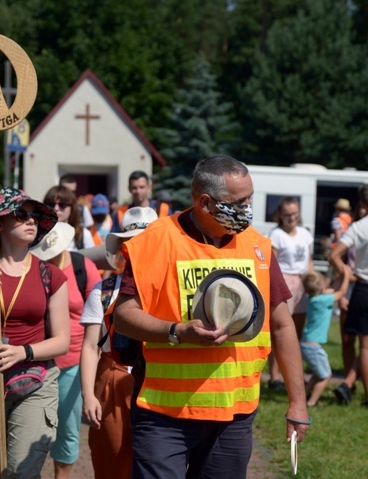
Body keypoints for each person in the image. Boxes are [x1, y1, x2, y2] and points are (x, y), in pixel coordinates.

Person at [113, 155, 309, 478]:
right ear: (205, 202)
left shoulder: (258, 247)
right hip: (164, 415)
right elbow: (123, 315)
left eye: (250, 198)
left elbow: (281, 323)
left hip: (234, 415)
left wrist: (297, 403)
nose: (248, 208)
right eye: (239, 202)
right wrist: (177, 331)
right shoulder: (156, 241)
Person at [0, 186, 70, 479]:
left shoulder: (52, 275)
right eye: (21, 214)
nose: (31, 220)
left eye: (35, 215)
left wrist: (23, 351)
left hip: (35, 376)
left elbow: (62, 341)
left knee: (22, 471)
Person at [79, 207, 157, 479]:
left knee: (157, 463)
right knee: (111, 457)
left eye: (148, 241)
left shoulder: (171, 286)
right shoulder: (105, 290)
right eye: (132, 241)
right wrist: (88, 395)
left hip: (162, 379)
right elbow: (90, 346)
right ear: (123, 247)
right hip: (114, 378)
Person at [30, 222, 101, 479]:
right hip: (36, 361)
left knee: (68, 431)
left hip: (73, 362)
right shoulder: (33, 268)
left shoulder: (83, 267)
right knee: (32, 430)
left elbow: (98, 315)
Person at [267, 196, 314, 390]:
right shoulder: (276, 234)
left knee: (298, 331)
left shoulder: (304, 233)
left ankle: (294, 376)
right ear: (281, 215)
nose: (291, 218)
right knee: (279, 329)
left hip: (302, 281)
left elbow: (309, 260)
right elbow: (272, 264)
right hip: (284, 280)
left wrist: (313, 281)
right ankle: (274, 376)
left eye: (294, 214)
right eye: (287, 214)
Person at [328, 184, 368, 406]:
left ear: (362, 204)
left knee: (364, 346)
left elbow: (334, 254)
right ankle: (352, 385)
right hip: (360, 285)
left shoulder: (359, 227)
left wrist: (347, 274)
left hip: (363, 286)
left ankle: (351, 385)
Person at [301, 267, 350, 407]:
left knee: (318, 374)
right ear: (321, 287)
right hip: (313, 347)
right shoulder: (323, 300)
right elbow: (342, 293)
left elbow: (332, 291)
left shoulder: (312, 299)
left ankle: (303, 398)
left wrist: (337, 279)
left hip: (307, 343)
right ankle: (312, 402)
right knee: (326, 375)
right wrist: (346, 275)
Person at [44, 185, 95, 250]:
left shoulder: (84, 235)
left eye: (62, 205)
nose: (56, 208)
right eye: (51, 204)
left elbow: (91, 259)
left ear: (72, 208)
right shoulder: (39, 234)